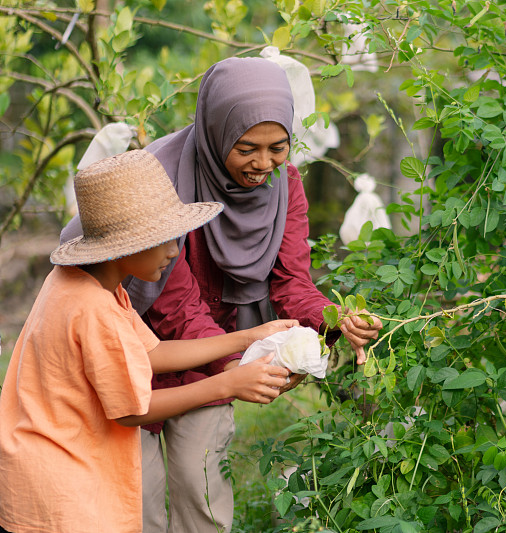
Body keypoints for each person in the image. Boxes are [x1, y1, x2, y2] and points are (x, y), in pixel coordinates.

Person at [61, 56, 383, 532]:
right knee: (136, 500)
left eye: (278, 148)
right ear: (215, 132)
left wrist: (336, 318)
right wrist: (238, 371)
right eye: (247, 148)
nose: (263, 164)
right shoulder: (163, 182)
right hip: (134, 347)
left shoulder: (284, 186)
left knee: (203, 489)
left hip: (215, 348)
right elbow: (175, 306)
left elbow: (293, 281)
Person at [0, 150, 299, 533]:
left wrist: (247, 336)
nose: (175, 252)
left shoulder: (85, 283)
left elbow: (151, 352)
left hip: (49, 463)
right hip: (63, 486)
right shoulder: (93, 307)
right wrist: (226, 384)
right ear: (128, 245)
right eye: (165, 240)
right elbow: (132, 410)